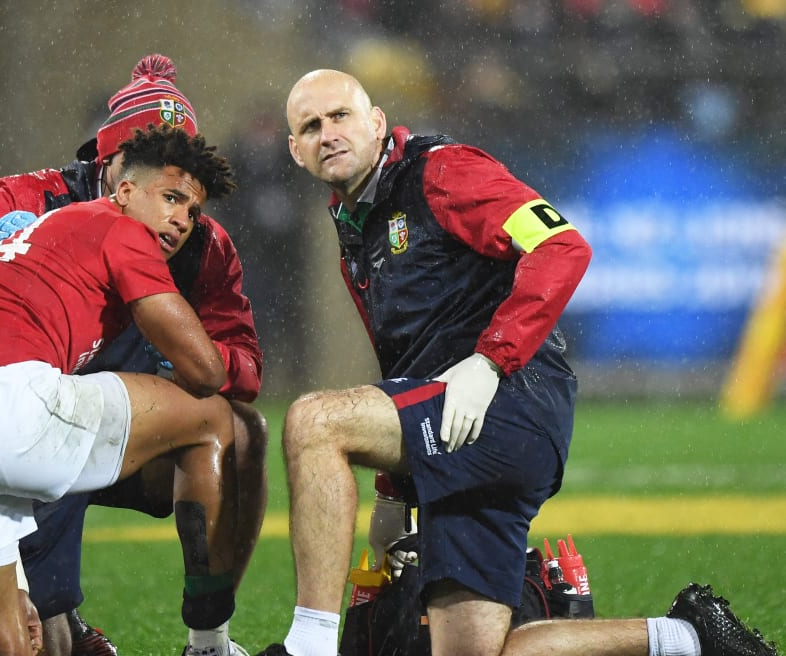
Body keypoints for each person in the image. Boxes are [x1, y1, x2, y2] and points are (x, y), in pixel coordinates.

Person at [254, 68, 779, 656]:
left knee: (313, 422)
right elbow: (409, 361)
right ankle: (687, 638)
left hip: (513, 400)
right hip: (453, 431)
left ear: (376, 123)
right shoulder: (355, 227)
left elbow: (562, 246)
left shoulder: (441, 171)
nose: (328, 133)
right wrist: (394, 493)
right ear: (296, 152)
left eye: (341, 116)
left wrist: (490, 361)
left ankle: (309, 647)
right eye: (311, 126)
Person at [0, 54, 266, 656]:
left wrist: (204, 369)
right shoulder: (58, 204)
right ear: (115, 169)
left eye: (190, 199)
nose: (180, 218)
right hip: (34, 412)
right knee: (212, 417)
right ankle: (107, 628)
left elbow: (242, 357)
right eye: (167, 189)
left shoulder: (200, 241)